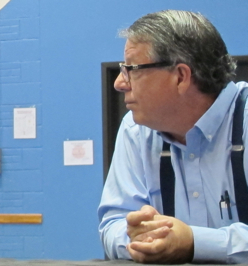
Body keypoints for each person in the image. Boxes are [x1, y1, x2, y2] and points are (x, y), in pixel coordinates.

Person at [98, 10, 248, 264]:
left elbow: (189, 242)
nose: (120, 83)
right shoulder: (135, 130)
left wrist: (193, 242)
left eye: (131, 69)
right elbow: (114, 222)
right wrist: (140, 235)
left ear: (180, 77)